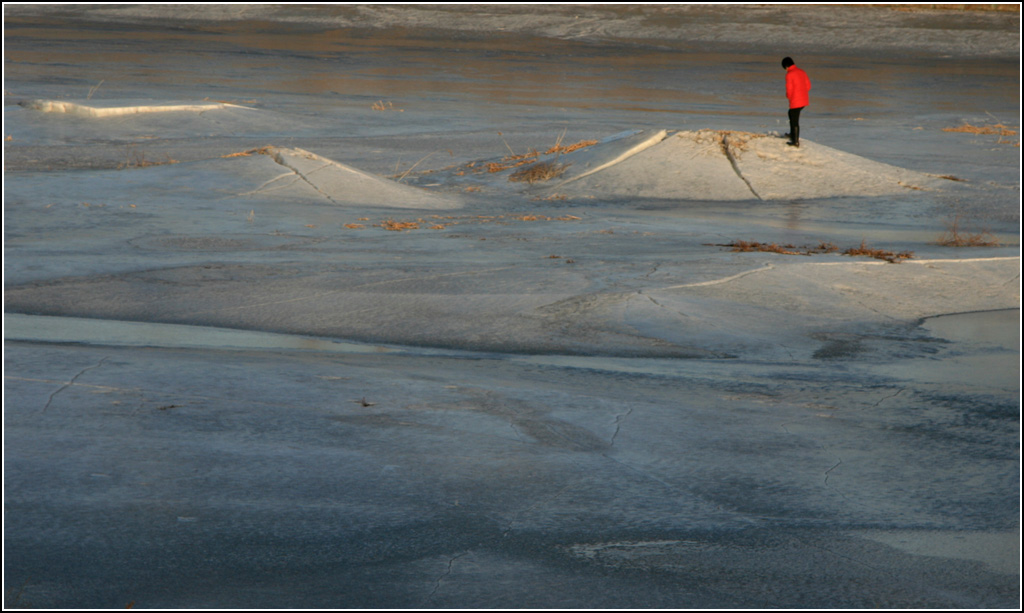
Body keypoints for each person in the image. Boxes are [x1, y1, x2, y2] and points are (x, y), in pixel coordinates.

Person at [781, 57, 811, 147]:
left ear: (786, 66)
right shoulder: (802, 72)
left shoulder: (789, 74)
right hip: (804, 100)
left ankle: (795, 141)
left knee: (794, 120)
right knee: (791, 114)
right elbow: (808, 86)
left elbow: (789, 89)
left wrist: (789, 96)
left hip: (795, 101)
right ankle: (792, 134)